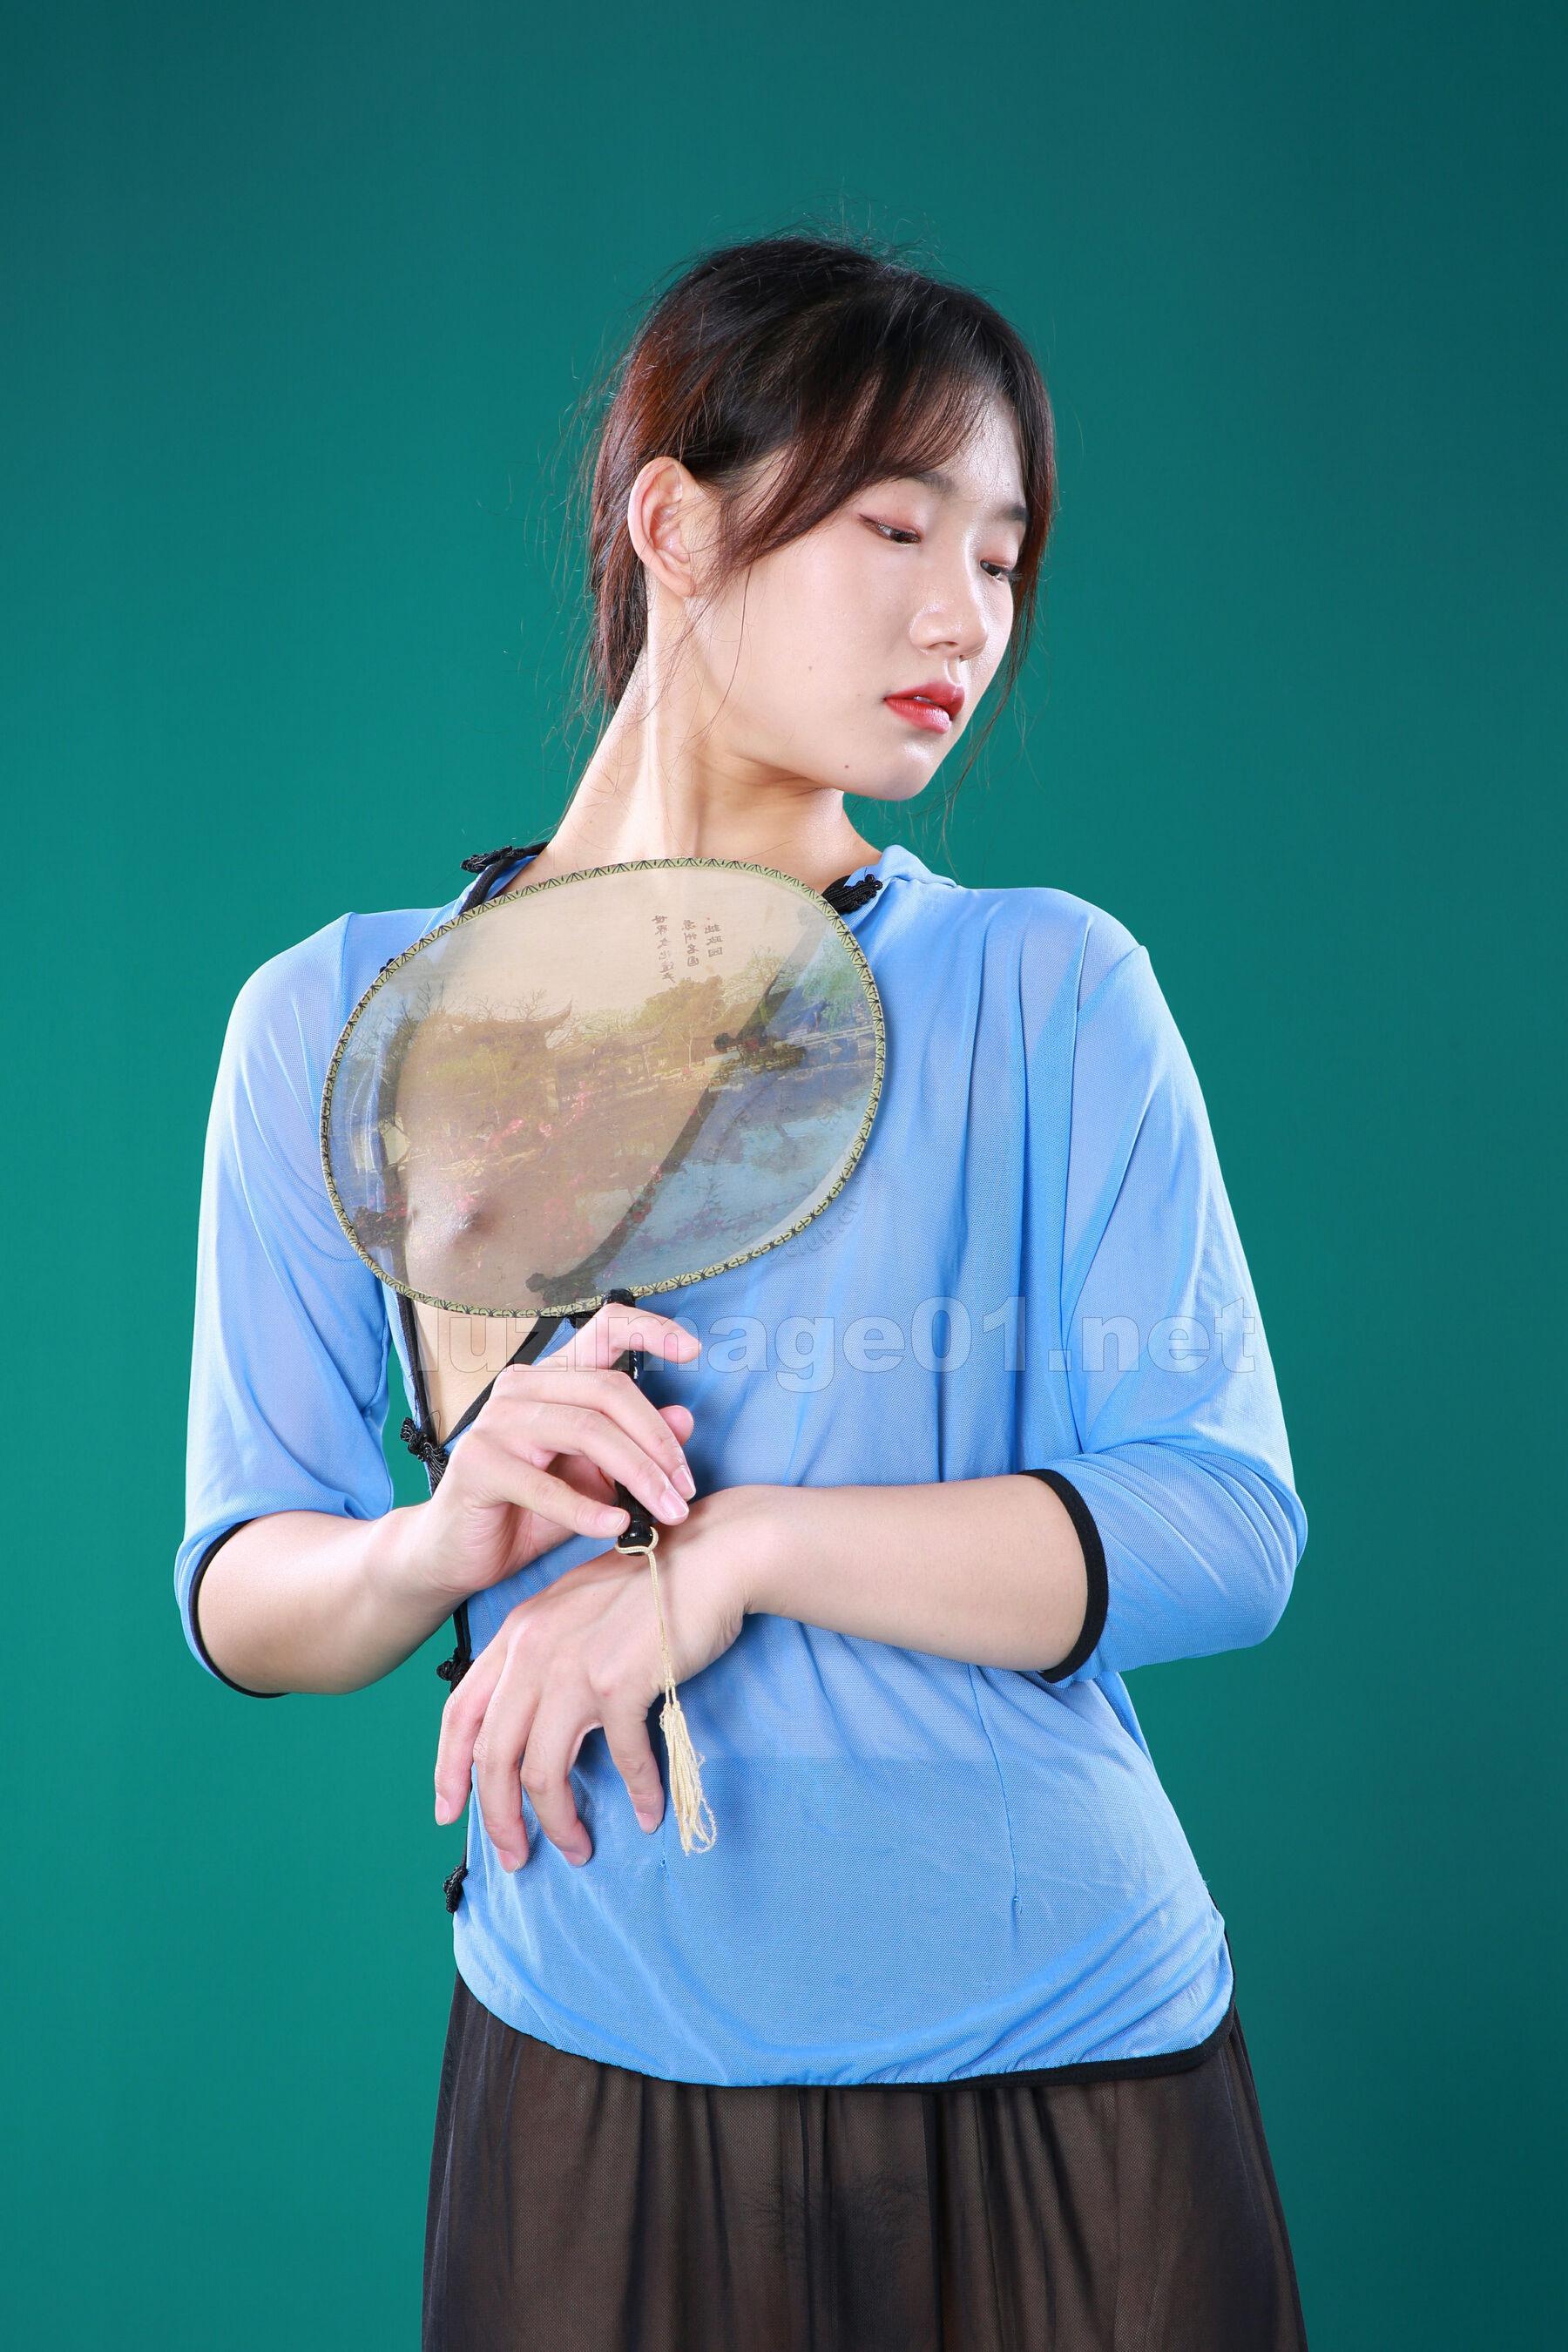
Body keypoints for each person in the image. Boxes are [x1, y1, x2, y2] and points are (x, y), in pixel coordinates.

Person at [174, 230, 1311, 2349]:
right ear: (674, 524)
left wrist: (737, 1559)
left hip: (1076, 2060)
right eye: (896, 527)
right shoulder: (334, 1023)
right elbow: (246, 1586)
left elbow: (1227, 1527)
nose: (965, 615)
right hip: (585, 2066)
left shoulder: (1047, 987)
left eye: (1004, 554)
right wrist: (438, 1544)